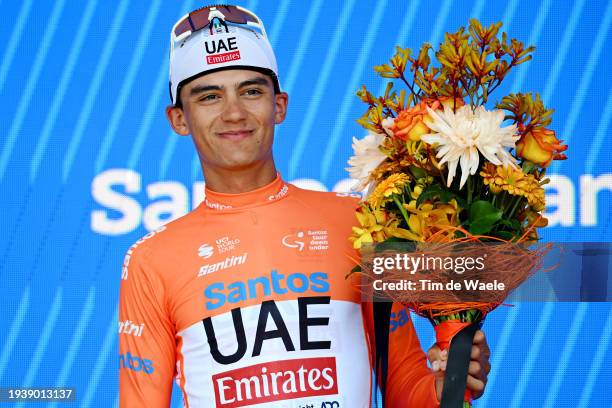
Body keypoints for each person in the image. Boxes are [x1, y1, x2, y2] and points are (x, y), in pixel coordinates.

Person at [118, 5, 490, 407]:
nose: (234, 112)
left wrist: (450, 380)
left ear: (279, 106)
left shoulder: (360, 223)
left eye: (251, 91)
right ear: (178, 118)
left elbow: (405, 389)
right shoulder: (152, 260)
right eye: (209, 97)